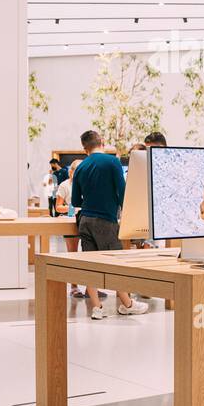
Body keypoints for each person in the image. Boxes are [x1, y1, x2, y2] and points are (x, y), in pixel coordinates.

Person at [71, 130, 148, 319]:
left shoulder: (80, 167)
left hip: (85, 221)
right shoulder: (113, 162)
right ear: (102, 142)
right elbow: (123, 193)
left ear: (84, 148)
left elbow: (75, 201)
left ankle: (97, 308)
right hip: (106, 221)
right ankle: (128, 304)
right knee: (116, 264)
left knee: (91, 265)